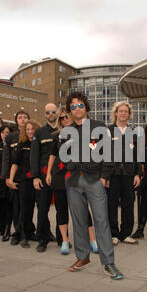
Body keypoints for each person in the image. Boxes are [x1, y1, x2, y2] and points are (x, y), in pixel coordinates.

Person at [62, 91, 123, 280]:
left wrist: (104, 176)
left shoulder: (99, 127)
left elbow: (110, 153)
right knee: (79, 220)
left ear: (86, 107)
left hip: (95, 180)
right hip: (73, 181)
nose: (77, 109)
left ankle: (108, 263)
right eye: (73, 106)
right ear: (69, 110)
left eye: (80, 105)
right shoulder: (66, 131)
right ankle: (82, 257)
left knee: (101, 220)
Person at [46, 108, 98, 255]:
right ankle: (64, 240)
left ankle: (92, 240)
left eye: (67, 117)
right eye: (61, 118)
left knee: (83, 208)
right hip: (59, 176)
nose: (65, 120)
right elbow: (52, 155)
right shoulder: (56, 136)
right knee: (61, 209)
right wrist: (48, 173)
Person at [106, 101, 142, 245]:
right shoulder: (108, 131)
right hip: (113, 175)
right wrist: (105, 176)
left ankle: (126, 234)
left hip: (129, 174)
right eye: (120, 111)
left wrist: (138, 174)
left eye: (125, 111)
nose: (123, 113)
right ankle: (113, 234)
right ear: (116, 113)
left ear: (129, 114)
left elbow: (138, 156)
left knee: (128, 204)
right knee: (111, 205)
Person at [31, 103, 60, 253]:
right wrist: (35, 177)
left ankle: (62, 238)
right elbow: (34, 156)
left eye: (53, 111)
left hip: (60, 175)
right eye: (47, 112)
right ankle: (42, 239)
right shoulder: (40, 132)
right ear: (45, 114)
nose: (50, 114)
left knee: (61, 208)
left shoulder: (64, 130)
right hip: (43, 175)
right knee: (42, 208)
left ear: (57, 113)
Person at [2, 110, 34, 245]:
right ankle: (17, 233)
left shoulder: (32, 136)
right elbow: (7, 159)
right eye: (19, 117)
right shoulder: (11, 137)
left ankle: (28, 231)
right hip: (15, 177)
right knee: (16, 207)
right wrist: (7, 178)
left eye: (25, 117)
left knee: (28, 207)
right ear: (16, 120)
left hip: (30, 177)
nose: (22, 119)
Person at [9, 120, 41, 248]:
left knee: (35, 208)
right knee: (24, 209)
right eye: (27, 129)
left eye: (32, 129)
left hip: (37, 180)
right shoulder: (21, 145)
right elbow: (14, 163)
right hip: (24, 180)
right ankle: (22, 235)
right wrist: (10, 180)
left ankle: (30, 232)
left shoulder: (39, 144)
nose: (30, 131)